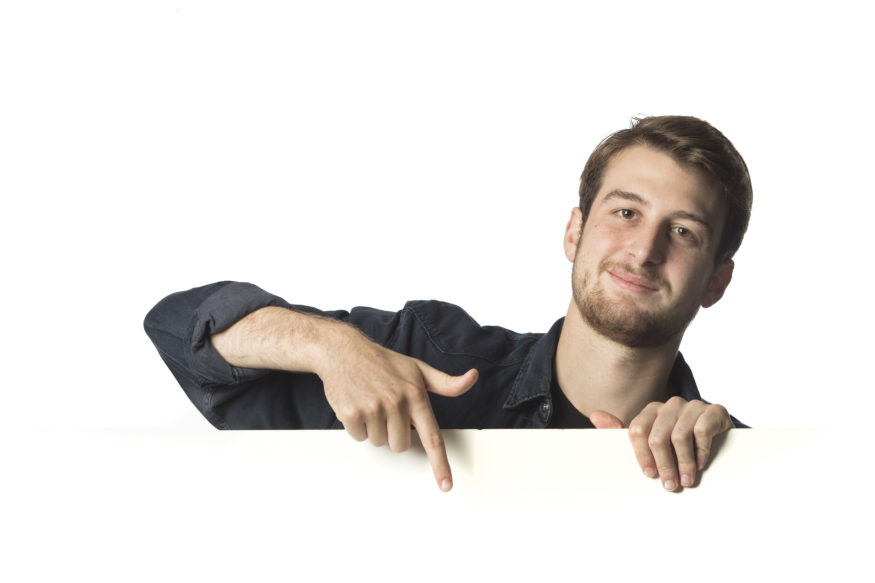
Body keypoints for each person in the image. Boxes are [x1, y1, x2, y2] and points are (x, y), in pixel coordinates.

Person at [144, 115, 752, 494]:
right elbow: (177, 330)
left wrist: (736, 467)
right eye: (625, 212)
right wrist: (328, 347)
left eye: (683, 232)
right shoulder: (426, 361)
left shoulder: (739, 461)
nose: (643, 250)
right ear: (574, 232)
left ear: (716, 282)